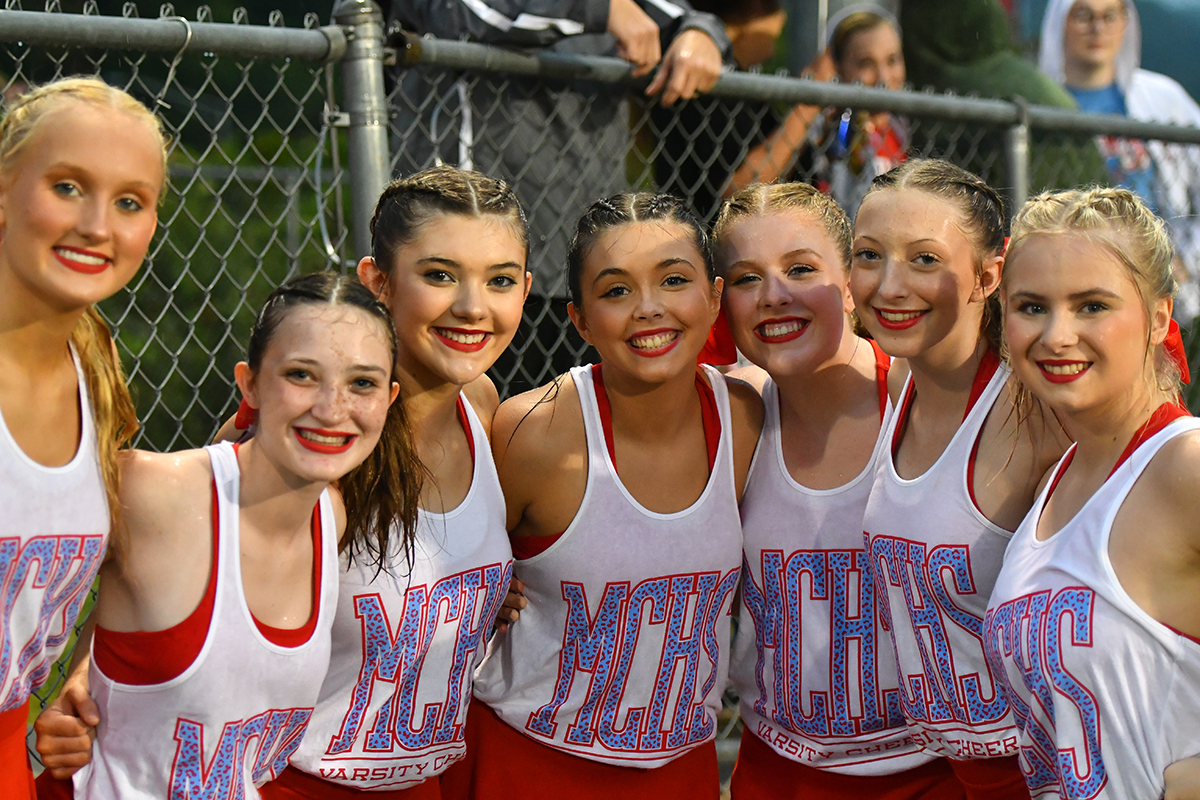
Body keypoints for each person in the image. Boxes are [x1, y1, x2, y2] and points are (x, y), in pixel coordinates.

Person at [38, 273, 419, 799]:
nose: (333, 409)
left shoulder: (330, 517)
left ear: (389, 397)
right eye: (302, 375)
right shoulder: (154, 492)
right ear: (250, 384)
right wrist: (76, 683)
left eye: (362, 383)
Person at [440, 192, 763, 800]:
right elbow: (448, 565)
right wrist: (483, 581)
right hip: (527, 762)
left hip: (680, 768)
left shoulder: (745, 418)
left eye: (674, 280)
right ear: (580, 319)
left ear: (715, 298)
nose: (648, 309)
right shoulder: (532, 431)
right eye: (616, 291)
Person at [259, 166, 531, 798]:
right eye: (439, 275)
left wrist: (484, 598)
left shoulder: (485, 407)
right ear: (377, 281)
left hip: (424, 783)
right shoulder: (320, 437)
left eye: (499, 281)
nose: (471, 306)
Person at [713, 182, 963, 800]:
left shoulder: (926, 399)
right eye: (747, 278)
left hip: (933, 773)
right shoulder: (726, 416)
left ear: (851, 282)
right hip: (779, 772)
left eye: (801, 269)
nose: (774, 295)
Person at [851, 158, 1067, 799]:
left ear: (987, 275)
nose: (890, 286)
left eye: (924, 259)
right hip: (956, 773)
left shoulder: (1038, 411)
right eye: (868, 256)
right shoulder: (895, 385)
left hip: (1045, 772)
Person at [383, 0, 730, 394]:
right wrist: (604, 9)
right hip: (472, 261)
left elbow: (685, 18)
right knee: (466, 419)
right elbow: (463, 14)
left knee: (557, 435)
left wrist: (701, 34)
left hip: (583, 261)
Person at [984, 187, 1200, 800]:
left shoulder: (1185, 465)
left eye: (1092, 305)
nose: (1057, 335)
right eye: (1032, 306)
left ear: (1159, 317)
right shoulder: (1058, 478)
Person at [0, 76, 166, 799]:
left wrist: (77, 671)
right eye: (67, 187)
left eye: (129, 202)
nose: (99, 225)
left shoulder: (94, 366)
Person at [1038, 0, 1200, 321]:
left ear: (1126, 22)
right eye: (1083, 15)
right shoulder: (1041, 103)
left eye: (1110, 15)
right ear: (1060, 23)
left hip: (1165, 276)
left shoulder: (1162, 99)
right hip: (1079, 275)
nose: (1098, 28)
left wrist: (1189, 259)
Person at [728, 5, 909, 217]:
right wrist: (812, 99)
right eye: (865, 63)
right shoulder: (823, 134)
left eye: (892, 60)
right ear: (836, 66)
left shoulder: (901, 130)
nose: (883, 78)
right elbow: (741, 190)